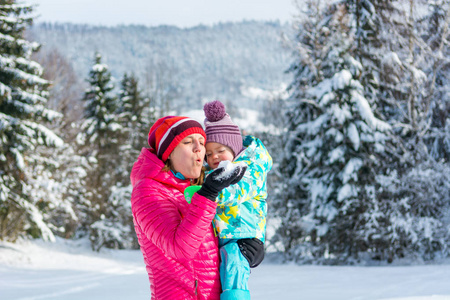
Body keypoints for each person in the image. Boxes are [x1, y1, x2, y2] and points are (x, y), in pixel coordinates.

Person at [130, 115, 247, 300]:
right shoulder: (148, 190)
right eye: (188, 142)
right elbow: (180, 249)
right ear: (169, 152)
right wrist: (208, 193)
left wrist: (248, 246)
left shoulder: (193, 189)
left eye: (202, 142)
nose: (199, 148)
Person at [203, 101, 273, 300]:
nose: (214, 156)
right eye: (209, 153)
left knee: (234, 265)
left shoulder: (252, 165)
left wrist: (207, 194)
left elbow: (239, 191)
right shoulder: (213, 173)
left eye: (220, 149)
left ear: (233, 146)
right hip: (223, 237)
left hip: (245, 236)